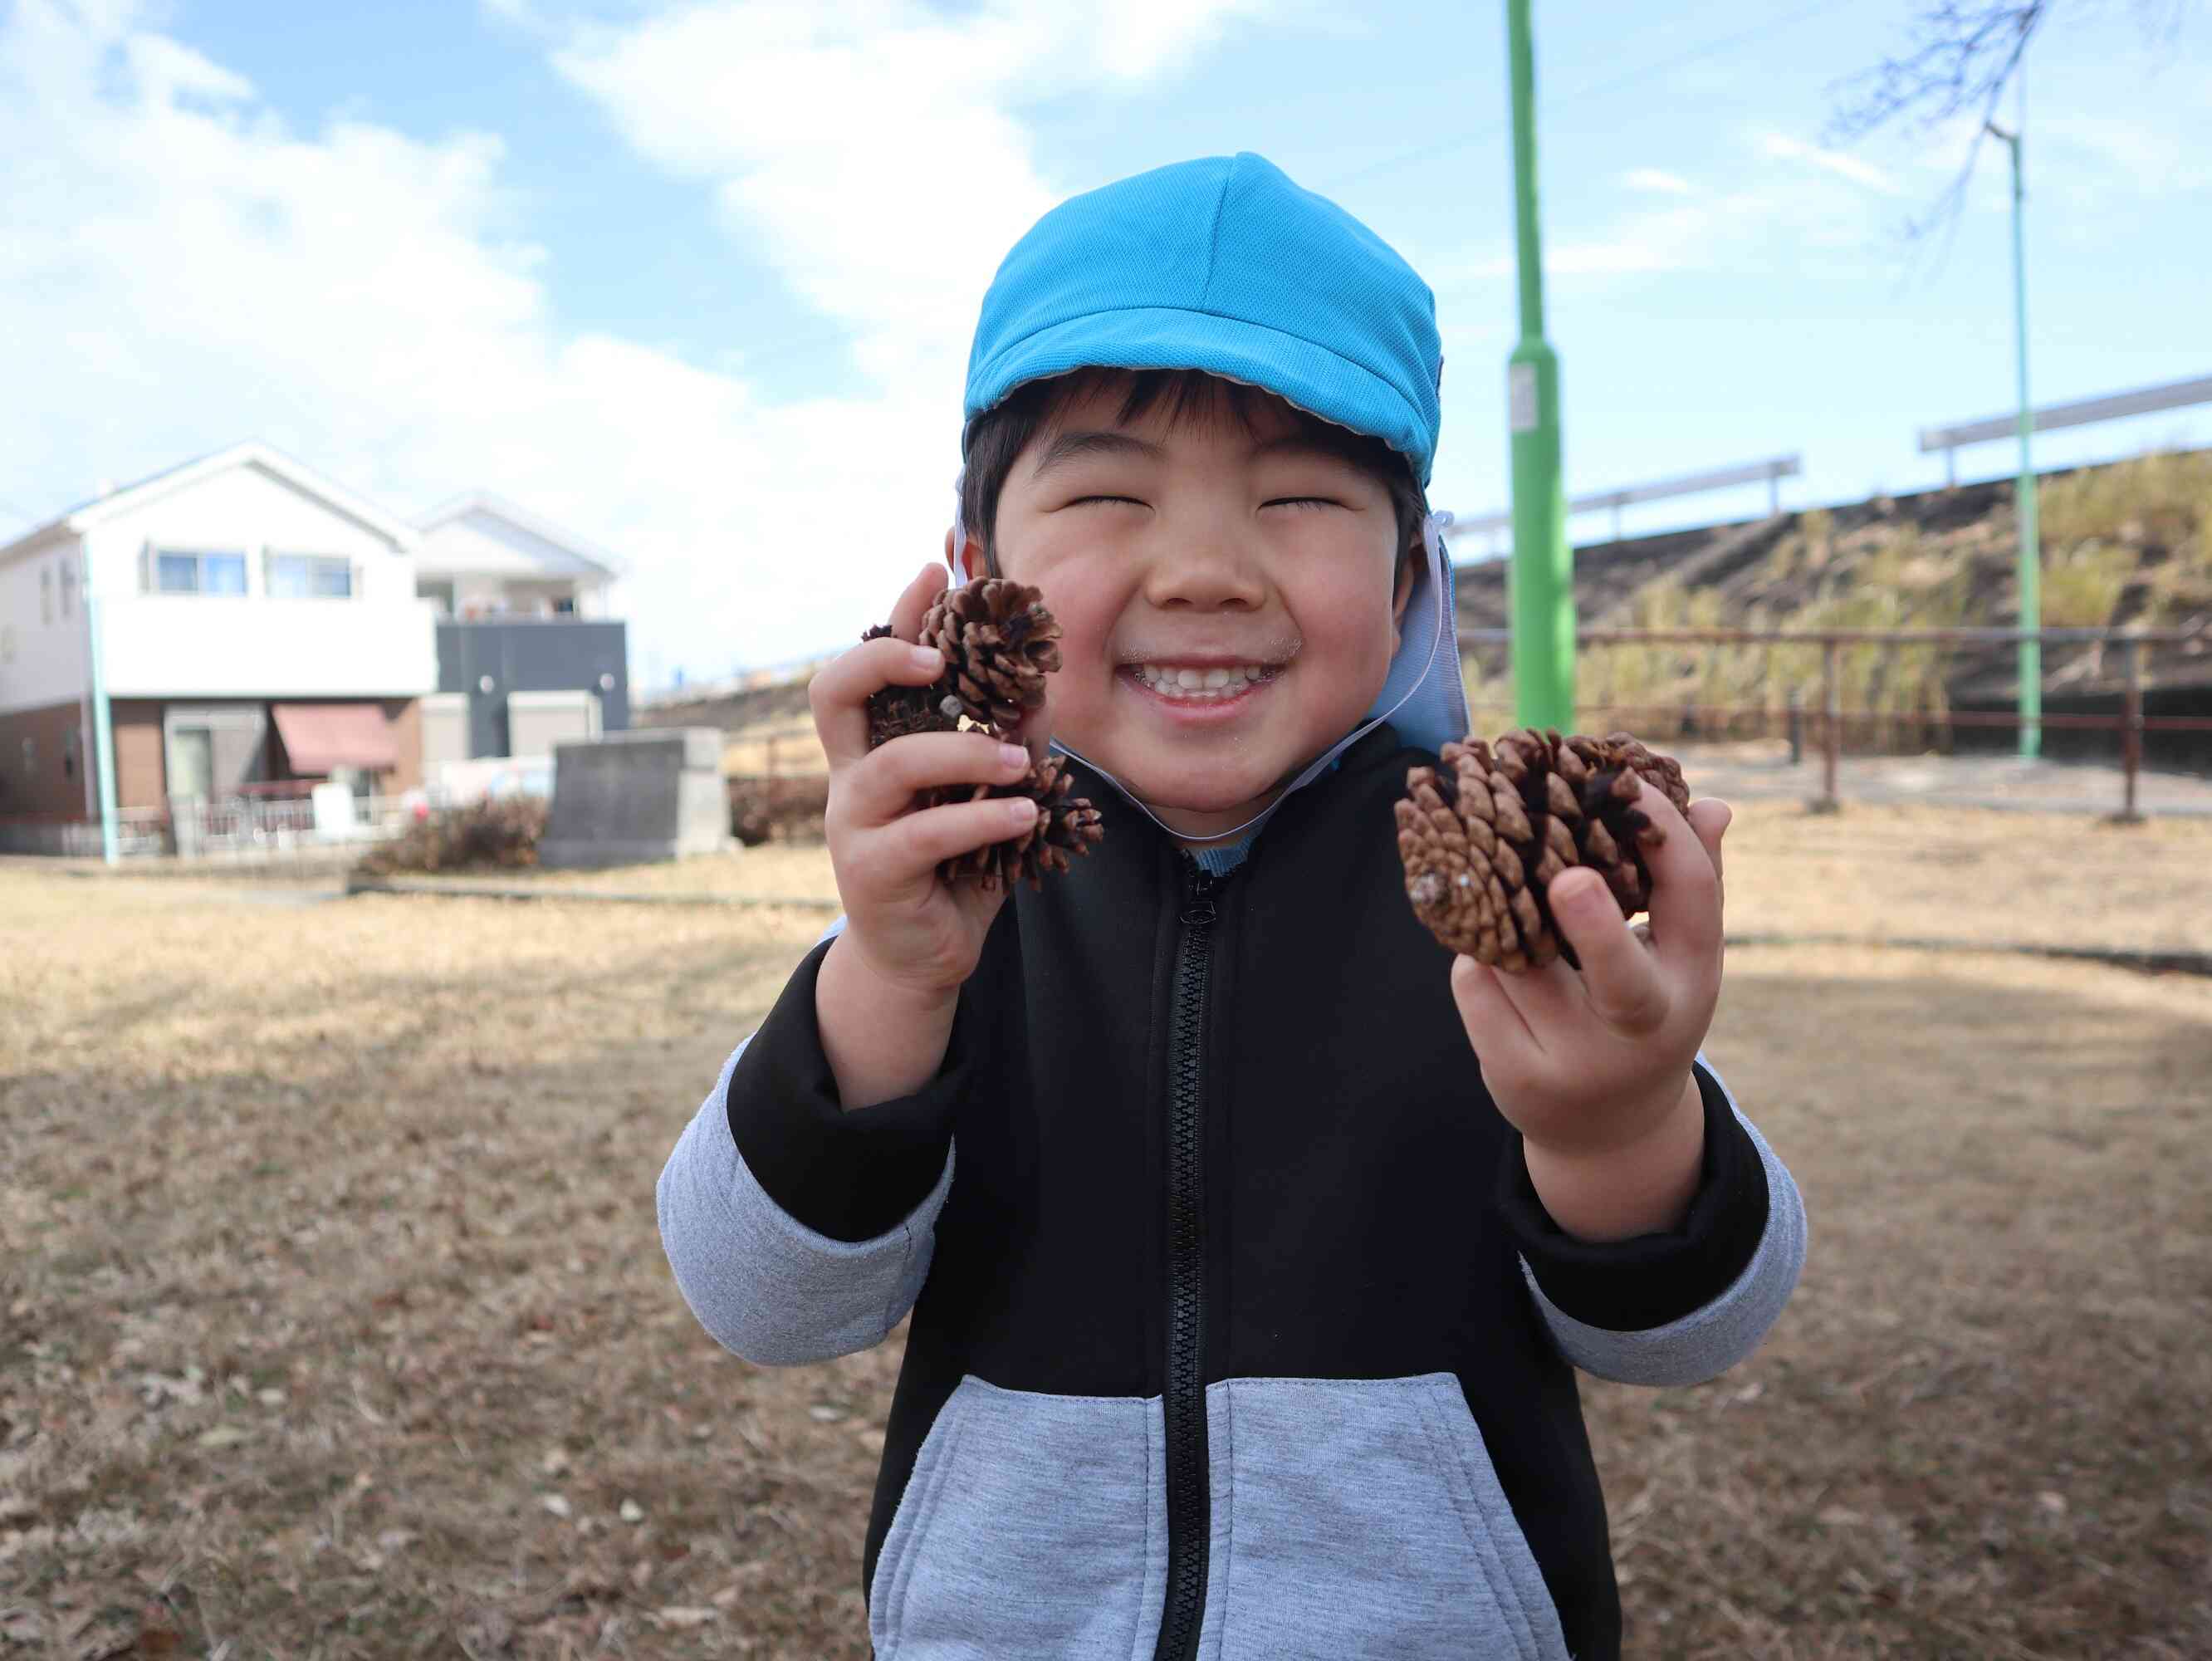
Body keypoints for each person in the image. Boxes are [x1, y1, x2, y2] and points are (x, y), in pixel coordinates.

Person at [658, 152, 1806, 1661]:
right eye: (1111, 492)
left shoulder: (1501, 910)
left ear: (1408, 580)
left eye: (1298, 496)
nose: (1204, 570)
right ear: (980, 574)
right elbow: (763, 1304)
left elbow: (1690, 1337)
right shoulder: (945, 920)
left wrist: (1613, 1126)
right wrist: (884, 977)